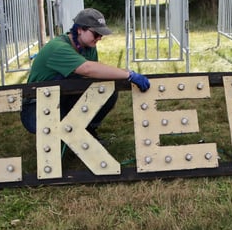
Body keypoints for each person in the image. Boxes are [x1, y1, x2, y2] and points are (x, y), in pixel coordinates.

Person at [20, 8, 150, 136]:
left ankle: (87, 131)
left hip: (65, 96)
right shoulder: (58, 48)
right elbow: (88, 69)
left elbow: (95, 75)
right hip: (36, 106)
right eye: (96, 34)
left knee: (107, 91)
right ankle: (75, 134)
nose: (99, 38)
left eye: (101, 35)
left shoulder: (88, 47)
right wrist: (129, 74)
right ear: (80, 29)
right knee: (61, 132)